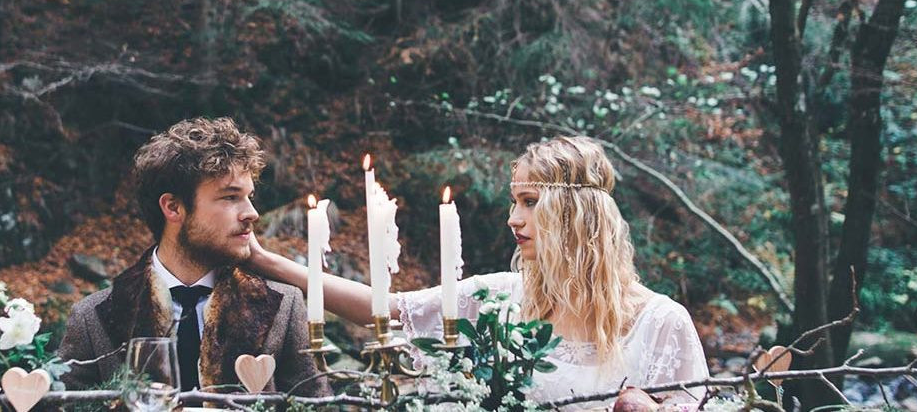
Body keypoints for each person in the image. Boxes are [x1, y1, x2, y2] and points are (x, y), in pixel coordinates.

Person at [245, 136, 708, 408]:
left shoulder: (662, 324)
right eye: (514, 202)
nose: (513, 218)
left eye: (530, 202)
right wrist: (264, 260)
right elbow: (382, 310)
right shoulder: (497, 301)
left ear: (578, 215)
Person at [57, 117, 329, 396]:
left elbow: (318, 406)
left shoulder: (282, 305)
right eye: (230, 197)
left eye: (249, 196)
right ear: (173, 208)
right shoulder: (94, 317)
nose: (252, 213)